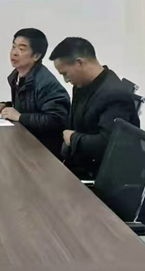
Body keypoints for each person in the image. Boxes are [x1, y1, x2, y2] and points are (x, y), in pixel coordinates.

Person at [49, 37, 140, 179]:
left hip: (100, 175)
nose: (66, 80)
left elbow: (107, 145)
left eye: (65, 74)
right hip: (80, 164)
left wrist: (73, 138)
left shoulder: (114, 94)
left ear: (79, 63)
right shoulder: (82, 85)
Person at [0, 28, 70, 157]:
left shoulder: (46, 83)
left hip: (43, 152)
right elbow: (29, 106)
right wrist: (5, 105)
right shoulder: (18, 76)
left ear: (36, 56)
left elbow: (56, 120)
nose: (14, 53)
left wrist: (20, 117)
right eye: (13, 47)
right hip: (25, 143)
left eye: (22, 49)